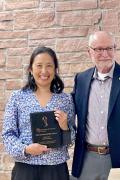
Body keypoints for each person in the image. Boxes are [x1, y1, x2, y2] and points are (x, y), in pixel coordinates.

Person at [71, 31, 120, 180]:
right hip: (86, 159)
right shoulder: (81, 79)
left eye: (109, 48)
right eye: (99, 49)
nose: (105, 53)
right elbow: (69, 112)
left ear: (115, 49)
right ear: (89, 52)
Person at [2, 46, 75, 180]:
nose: (44, 71)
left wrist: (65, 127)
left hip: (56, 170)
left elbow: (71, 139)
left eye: (49, 66)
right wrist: (26, 149)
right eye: (39, 66)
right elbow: (8, 134)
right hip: (25, 169)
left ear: (55, 69)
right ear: (30, 69)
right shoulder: (17, 98)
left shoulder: (65, 99)